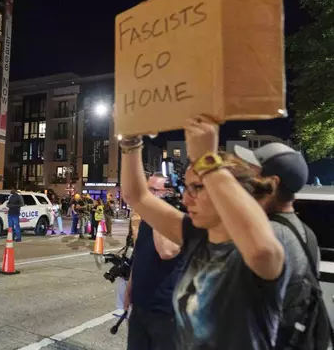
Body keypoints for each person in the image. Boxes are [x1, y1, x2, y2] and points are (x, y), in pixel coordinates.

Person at [120, 116, 288, 349]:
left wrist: (207, 162)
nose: (187, 198)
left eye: (198, 187)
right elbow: (137, 196)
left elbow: (262, 251)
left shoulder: (254, 247)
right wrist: (130, 140)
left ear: (231, 191)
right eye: (186, 187)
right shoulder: (196, 235)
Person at [234, 143, 323, 347]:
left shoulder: (269, 235)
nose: (245, 180)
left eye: (252, 173)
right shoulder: (304, 232)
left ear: (272, 183)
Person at [124, 175, 184, 350]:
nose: (147, 195)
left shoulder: (179, 219)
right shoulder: (147, 219)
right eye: (146, 189)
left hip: (166, 308)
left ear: (168, 193)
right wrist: (130, 288)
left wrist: (159, 212)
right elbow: (140, 253)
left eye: (153, 191)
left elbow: (166, 251)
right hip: (141, 304)